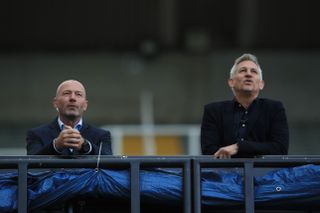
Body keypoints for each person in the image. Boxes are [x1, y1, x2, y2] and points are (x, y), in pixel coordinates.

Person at [200, 53, 289, 158]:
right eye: (242, 70)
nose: (248, 74)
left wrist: (238, 147)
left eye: (254, 71)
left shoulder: (274, 108)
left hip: (264, 173)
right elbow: (209, 151)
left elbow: (280, 149)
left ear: (261, 84)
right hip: (225, 172)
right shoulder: (213, 111)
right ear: (231, 82)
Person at [26, 79, 112, 155]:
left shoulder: (101, 135)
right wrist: (56, 145)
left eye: (78, 94)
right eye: (66, 93)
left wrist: (85, 146)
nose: (72, 98)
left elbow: (109, 165)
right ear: (55, 103)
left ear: (85, 105)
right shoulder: (36, 134)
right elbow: (30, 167)